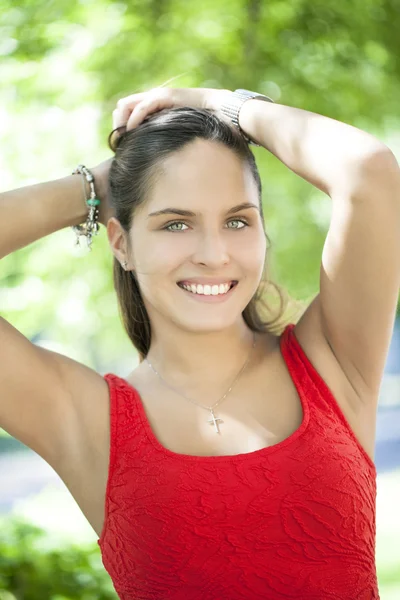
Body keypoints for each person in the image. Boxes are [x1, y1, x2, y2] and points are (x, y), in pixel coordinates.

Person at [1, 85, 399, 600]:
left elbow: (369, 169)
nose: (214, 254)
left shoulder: (332, 362)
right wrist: (100, 187)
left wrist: (223, 105)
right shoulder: (84, 416)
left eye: (237, 220)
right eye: (176, 223)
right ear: (122, 244)